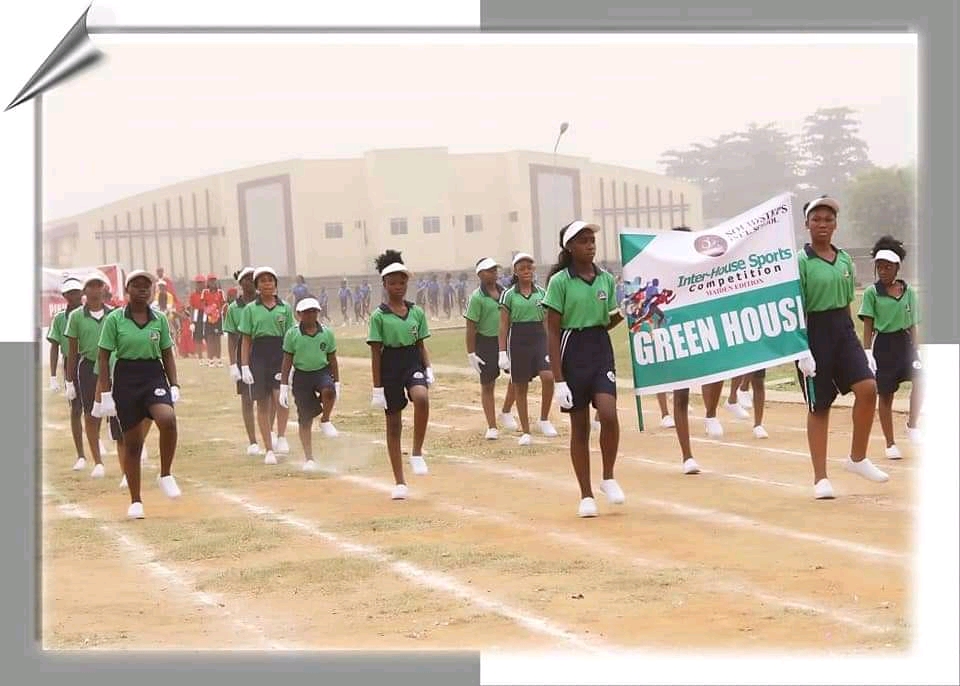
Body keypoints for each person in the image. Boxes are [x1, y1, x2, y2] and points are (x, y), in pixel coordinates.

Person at [796, 195, 888, 499]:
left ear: (836, 224)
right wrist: (801, 349)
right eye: (816, 219)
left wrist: (860, 347)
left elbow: (848, 303)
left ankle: (857, 458)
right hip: (813, 332)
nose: (823, 224)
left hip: (843, 330)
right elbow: (794, 308)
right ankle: (820, 478)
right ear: (807, 224)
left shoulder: (845, 259)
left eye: (829, 219)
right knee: (820, 405)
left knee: (868, 388)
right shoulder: (800, 261)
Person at [542, 221, 625, 518]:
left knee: (608, 413)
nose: (590, 245)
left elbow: (606, 320)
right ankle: (586, 494)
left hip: (600, 349)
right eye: (583, 241)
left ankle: (608, 477)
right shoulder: (560, 282)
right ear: (569, 247)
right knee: (580, 428)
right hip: (572, 351)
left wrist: (624, 313)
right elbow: (553, 331)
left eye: (592, 240)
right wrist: (559, 379)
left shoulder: (606, 279)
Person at [95, 269, 181, 519]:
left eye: (147, 285)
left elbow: (167, 352)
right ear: (127, 290)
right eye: (137, 285)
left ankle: (165, 474)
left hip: (153, 373)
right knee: (132, 443)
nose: (143, 289)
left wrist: (174, 384)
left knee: (167, 419)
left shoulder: (159, 319)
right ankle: (136, 500)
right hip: (126, 376)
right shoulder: (115, 319)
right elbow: (103, 357)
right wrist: (106, 394)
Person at [368, 250, 434, 500]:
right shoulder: (379, 316)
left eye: (402, 282)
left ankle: (417, 452)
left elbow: (421, 345)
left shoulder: (416, 312)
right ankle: (399, 481)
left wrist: (428, 367)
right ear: (385, 285)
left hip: (411, 360)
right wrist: (377, 388)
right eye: (393, 283)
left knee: (422, 398)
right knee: (394, 425)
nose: (398, 287)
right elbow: (376, 353)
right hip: (390, 366)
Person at [858, 235, 922, 458]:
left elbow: (913, 324)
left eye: (888, 267)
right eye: (879, 267)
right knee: (886, 394)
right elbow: (868, 324)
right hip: (884, 345)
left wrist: (918, 349)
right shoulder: (872, 293)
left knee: (921, 380)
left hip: (905, 342)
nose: (883, 271)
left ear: (897, 267)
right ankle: (890, 443)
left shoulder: (908, 292)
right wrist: (867, 352)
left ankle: (912, 425)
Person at [497, 253, 558, 445]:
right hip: (518, 340)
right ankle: (526, 431)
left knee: (548, 377)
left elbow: (547, 321)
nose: (526, 271)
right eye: (522, 268)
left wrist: (552, 345)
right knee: (520, 385)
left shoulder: (542, 293)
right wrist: (502, 352)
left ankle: (544, 419)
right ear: (515, 271)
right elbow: (503, 325)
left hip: (539, 338)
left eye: (529, 268)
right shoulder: (509, 295)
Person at [239, 267, 295, 465]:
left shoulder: (285, 308)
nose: (267, 284)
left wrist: (292, 362)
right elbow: (246, 339)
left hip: (279, 354)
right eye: (262, 281)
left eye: (270, 280)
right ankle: (269, 448)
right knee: (262, 402)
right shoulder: (250, 309)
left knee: (281, 397)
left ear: (276, 284)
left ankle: (281, 435)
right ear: (257, 286)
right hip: (259, 356)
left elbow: (291, 336)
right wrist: (244, 366)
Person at [279, 298, 342, 471]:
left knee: (328, 391)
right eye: (306, 312)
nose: (311, 315)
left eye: (314, 311)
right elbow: (287, 361)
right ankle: (309, 458)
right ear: (299, 314)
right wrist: (283, 386)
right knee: (305, 419)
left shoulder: (327, 333)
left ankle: (325, 419)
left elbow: (332, 359)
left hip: (321, 372)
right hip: (302, 376)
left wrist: (337, 382)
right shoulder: (292, 334)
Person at [64, 272, 116, 479]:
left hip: (111, 367)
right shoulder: (76, 316)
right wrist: (69, 380)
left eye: (98, 286)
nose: (95, 290)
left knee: (116, 410)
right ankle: (98, 461)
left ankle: (126, 451)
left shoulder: (114, 314)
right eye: (91, 286)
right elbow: (72, 351)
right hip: (87, 368)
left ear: (104, 289)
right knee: (90, 413)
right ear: (85, 291)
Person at [465, 257, 518, 439]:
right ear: (480, 274)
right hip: (486, 342)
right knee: (488, 384)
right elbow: (470, 327)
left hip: (507, 340)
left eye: (495, 270)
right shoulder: (477, 298)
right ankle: (492, 426)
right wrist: (471, 353)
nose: (494, 273)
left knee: (518, 376)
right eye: (489, 270)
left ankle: (506, 410)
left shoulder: (506, 293)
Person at [47, 277, 88, 469]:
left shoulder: (89, 314)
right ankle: (81, 455)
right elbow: (54, 346)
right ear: (65, 296)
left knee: (97, 407)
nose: (74, 296)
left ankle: (98, 441)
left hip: (90, 362)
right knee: (76, 408)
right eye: (70, 293)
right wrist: (53, 376)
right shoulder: (59, 319)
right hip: (70, 364)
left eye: (77, 292)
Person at [223, 267, 263, 456]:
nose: (249, 282)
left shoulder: (265, 303)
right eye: (245, 279)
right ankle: (253, 441)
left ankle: (270, 433)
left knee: (266, 397)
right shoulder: (233, 308)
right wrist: (233, 364)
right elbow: (232, 337)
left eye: (252, 278)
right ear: (240, 283)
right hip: (243, 356)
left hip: (264, 353)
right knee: (247, 399)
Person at [201, 274, 225, 368]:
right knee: (210, 338)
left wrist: (217, 312)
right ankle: (210, 360)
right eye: (211, 281)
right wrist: (209, 311)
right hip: (208, 318)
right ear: (208, 282)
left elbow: (223, 304)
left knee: (217, 339)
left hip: (218, 318)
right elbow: (203, 304)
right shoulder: (205, 292)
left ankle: (218, 360)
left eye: (214, 280)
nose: (213, 283)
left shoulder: (220, 292)